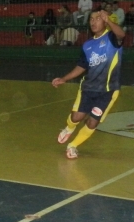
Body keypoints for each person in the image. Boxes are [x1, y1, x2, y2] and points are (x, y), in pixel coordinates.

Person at [53, 9, 125, 159]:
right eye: (91, 19)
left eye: (97, 18)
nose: (93, 22)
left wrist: (110, 21)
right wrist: (64, 78)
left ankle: (73, 146)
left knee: (93, 122)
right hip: (88, 88)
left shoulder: (112, 38)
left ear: (104, 21)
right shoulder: (87, 45)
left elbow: (121, 34)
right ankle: (69, 128)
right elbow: (82, 66)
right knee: (76, 117)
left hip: (108, 91)